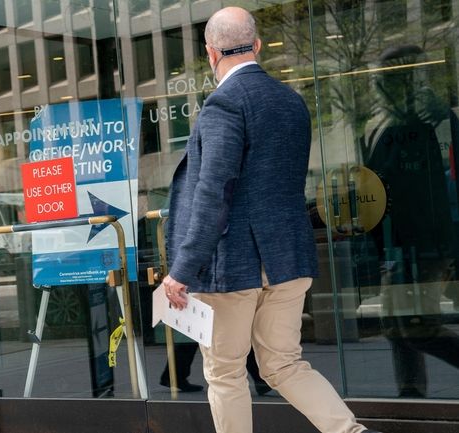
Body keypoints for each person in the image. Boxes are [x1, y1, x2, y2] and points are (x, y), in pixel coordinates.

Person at [159, 7, 380, 433]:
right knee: (284, 364)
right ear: (257, 46)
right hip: (288, 258)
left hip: (236, 267)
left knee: (225, 372)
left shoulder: (223, 104)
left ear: (210, 53)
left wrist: (181, 270)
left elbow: (213, 193)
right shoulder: (291, 102)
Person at [365, 44, 459, 397]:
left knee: (418, 326)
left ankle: (412, 395)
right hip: (398, 244)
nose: (376, 85)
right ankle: (411, 394)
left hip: (424, 243)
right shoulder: (388, 123)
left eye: (382, 78)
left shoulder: (425, 120)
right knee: (396, 325)